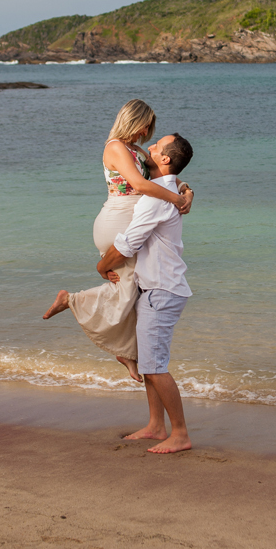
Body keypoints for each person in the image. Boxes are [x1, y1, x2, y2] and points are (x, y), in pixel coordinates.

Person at [42, 100, 193, 383]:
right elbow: (138, 184)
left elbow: (169, 177)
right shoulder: (115, 147)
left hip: (131, 218)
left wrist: (188, 192)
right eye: (147, 127)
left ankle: (127, 351)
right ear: (136, 121)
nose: (147, 134)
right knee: (129, 287)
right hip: (117, 219)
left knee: (133, 290)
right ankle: (73, 302)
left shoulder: (135, 150)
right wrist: (176, 199)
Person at [95, 133, 194, 454]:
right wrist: (187, 190)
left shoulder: (156, 198)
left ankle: (179, 433)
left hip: (162, 290)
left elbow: (128, 243)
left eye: (155, 146)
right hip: (156, 287)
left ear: (165, 159)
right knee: (149, 359)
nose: (148, 148)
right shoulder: (167, 192)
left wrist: (101, 266)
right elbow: (175, 186)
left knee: (154, 366)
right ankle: (155, 425)